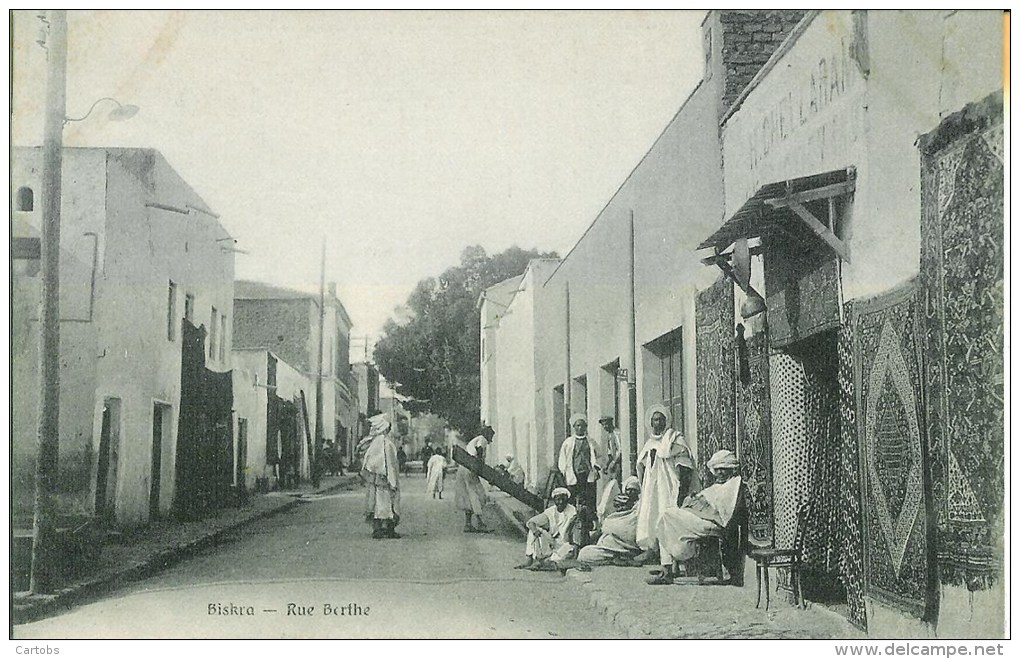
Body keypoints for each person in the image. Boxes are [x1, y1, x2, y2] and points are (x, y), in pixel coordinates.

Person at [647, 450, 744, 585]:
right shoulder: (717, 486)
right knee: (668, 517)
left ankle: (669, 568)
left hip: (712, 524)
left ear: (731, 470)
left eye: (724, 469)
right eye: (718, 469)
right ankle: (668, 567)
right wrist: (694, 500)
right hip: (702, 519)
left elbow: (721, 513)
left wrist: (699, 504)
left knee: (668, 516)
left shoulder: (732, 486)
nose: (720, 473)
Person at [633, 404, 695, 563]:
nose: (658, 423)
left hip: (669, 487)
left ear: (666, 421)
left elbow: (685, 466)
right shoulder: (649, 443)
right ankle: (657, 557)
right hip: (653, 490)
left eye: (661, 420)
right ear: (650, 423)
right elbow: (642, 466)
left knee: (668, 520)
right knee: (652, 519)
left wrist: (682, 491)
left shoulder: (675, 439)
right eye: (655, 420)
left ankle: (671, 563)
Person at [577, 476, 643, 567]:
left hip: (628, 548)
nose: (631, 493)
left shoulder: (639, 509)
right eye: (629, 490)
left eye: (634, 490)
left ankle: (620, 557)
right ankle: (615, 558)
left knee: (585, 554)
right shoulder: (615, 510)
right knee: (585, 553)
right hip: (609, 549)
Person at [515, 488, 579, 571]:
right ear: (554, 500)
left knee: (563, 555)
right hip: (552, 540)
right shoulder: (550, 511)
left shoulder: (572, 511)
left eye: (563, 499)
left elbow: (570, 532)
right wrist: (536, 531)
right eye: (558, 499)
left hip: (565, 542)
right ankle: (529, 559)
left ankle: (543, 563)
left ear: (567, 499)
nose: (561, 502)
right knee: (532, 531)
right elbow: (531, 522)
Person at [360, 414, 401, 539]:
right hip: (385, 478)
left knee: (376, 503)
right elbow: (389, 463)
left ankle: (377, 529)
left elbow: (368, 461)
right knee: (388, 504)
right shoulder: (386, 443)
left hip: (375, 479)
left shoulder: (374, 443)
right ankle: (388, 530)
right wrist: (392, 480)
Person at [557, 413, 602, 513]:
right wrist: (565, 471)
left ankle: (590, 520)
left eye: (583, 425)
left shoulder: (591, 442)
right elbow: (562, 458)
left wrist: (596, 468)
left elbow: (599, 456)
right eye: (578, 425)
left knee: (589, 498)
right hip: (573, 474)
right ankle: (572, 518)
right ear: (574, 427)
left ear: (586, 427)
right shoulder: (568, 443)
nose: (580, 428)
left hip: (587, 474)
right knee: (572, 498)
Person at [455, 425, 495, 533]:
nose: (491, 439)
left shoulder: (475, 439)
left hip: (464, 469)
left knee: (469, 497)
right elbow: (479, 451)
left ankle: (468, 525)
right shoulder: (482, 439)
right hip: (469, 470)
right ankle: (480, 523)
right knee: (478, 495)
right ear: (487, 434)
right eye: (491, 436)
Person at [598, 415, 622, 484]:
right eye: (603, 425)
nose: (605, 427)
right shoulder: (609, 435)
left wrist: (614, 462)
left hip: (618, 463)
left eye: (606, 424)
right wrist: (607, 464)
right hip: (613, 463)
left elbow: (619, 450)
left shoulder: (616, 433)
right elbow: (610, 452)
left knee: (616, 482)